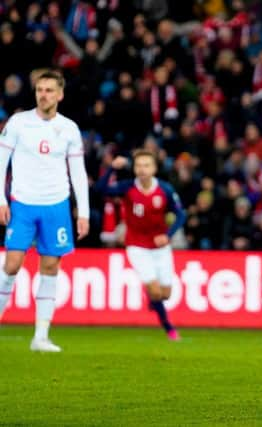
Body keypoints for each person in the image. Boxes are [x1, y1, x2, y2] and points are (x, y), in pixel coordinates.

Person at [0, 69, 89, 352]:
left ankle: (40, 336)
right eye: (40, 90)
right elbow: (1, 162)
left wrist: (83, 211)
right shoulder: (18, 123)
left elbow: (78, 173)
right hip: (23, 203)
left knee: (50, 267)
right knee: (12, 264)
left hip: (56, 205)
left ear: (60, 95)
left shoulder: (69, 129)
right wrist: (1, 200)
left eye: (50, 90)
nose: (44, 95)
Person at [95, 151, 186, 340]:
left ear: (154, 168)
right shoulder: (127, 187)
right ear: (134, 168)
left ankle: (154, 301)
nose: (142, 169)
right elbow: (99, 190)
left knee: (166, 294)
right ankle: (168, 327)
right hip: (137, 246)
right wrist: (112, 167)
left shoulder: (165, 190)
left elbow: (181, 215)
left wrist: (167, 236)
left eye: (146, 165)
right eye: (138, 166)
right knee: (155, 290)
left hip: (160, 247)